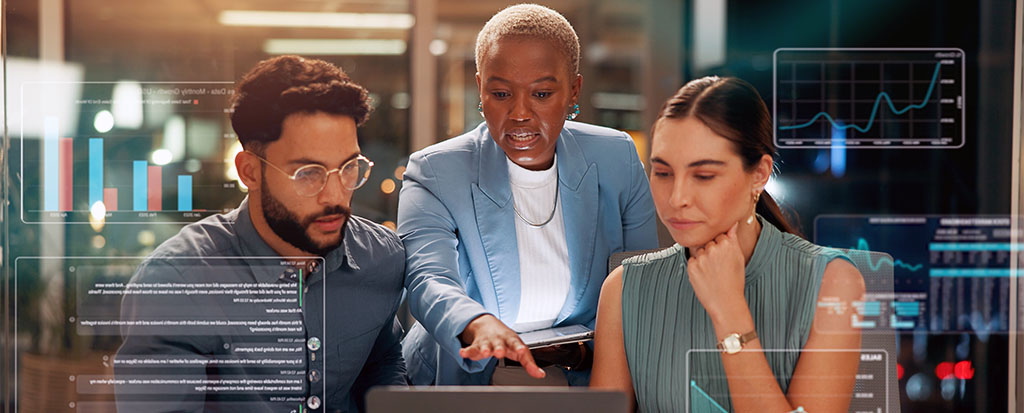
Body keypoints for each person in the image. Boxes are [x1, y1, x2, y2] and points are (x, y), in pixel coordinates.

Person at [116, 55, 406, 412]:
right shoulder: (177, 281)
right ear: (250, 172)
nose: (335, 196)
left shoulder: (380, 257)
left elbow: (384, 361)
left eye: (348, 167)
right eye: (308, 173)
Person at [398, 4, 659, 386]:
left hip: (583, 375)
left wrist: (584, 353)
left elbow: (642, 286)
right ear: (480, 88)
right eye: (501, 93)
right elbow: (428, 279)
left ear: (574, 90)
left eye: (541, 93)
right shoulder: (436, 172)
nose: (520, 112)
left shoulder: (616, 158)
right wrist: (477, 323)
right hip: (462, 380)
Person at [590, 76, 865, 412]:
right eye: (663, 173)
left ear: (759, 175)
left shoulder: (832, 283)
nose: (677, 198)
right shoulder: (623, 290)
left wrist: (729, 310)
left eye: (704, 176)